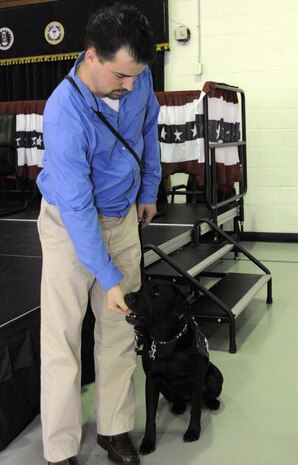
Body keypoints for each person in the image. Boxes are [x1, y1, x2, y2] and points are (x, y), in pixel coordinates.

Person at [36, 4, 161, 465]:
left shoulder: (138, 78)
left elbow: (148, 129)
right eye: (120, 76)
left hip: (123, 218)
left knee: (118, 333)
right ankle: (61, 448)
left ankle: (114, 430)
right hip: (71, 227)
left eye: (136, 76)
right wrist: (108, 278)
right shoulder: (64, 112)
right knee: (62, 339)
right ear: (91, 56)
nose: (129, 86)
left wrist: (147, 190)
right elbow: (78, 209)